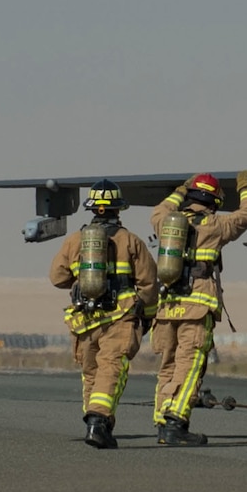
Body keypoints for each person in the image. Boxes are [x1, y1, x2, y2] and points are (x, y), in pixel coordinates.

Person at [151, 171, 247, 446]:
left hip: (167, 307)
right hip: (197, 307)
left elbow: (160, 208)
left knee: (168, 366)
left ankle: (163, 422)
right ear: (214, 201)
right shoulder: (216, 226)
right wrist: (245, 185)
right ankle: (177, 423)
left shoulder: (165, 222)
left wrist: (180, 188)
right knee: (189, 367)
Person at [51, 182, 159, 449]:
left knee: (91, 372)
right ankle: (99, 421)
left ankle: (94, 420)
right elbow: (149, 284)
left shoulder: (75, 240)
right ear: (118, 209)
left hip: (85, 319)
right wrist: (145, 316)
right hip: (119, 316)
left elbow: (57, 277)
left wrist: (80, 282)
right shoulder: (130, 240)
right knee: (111, 367)